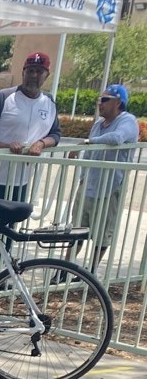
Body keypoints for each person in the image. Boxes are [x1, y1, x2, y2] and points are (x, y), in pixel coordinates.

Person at [0, 50, 61, 242]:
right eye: (30, 71)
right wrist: (5, 147)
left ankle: (0, 270)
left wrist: (41, 143)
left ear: (47, 75)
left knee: (9, 232)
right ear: (23, 72)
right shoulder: (5, 97)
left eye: (39, 71)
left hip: (22, 180)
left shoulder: (49, 102)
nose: (34, 76)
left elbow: (55, 134)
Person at [72, 83, 140, 271]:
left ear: (118, 102)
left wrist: (88, 141)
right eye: (99, 99)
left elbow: (116, 138)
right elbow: (89, 153)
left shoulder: (127, 121)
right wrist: (83, 177)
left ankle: (91, 271)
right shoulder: (97, 125)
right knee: (77, 228)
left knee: (102, 233)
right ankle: (64, 270)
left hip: (110, 187)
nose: (99, 103)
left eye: (104, 100)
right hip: (88, 185)